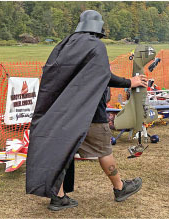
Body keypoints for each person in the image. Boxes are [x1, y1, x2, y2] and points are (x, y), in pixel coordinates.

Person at [26, 10, 146, 211]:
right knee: (104, 150)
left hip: (63, 112)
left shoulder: (64, 45)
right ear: (98, 28)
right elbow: (104, 76)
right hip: (90, 111)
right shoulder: (95, 46)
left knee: (62, 153)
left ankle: (59, 197)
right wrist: (129, 82)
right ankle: (120, 188)